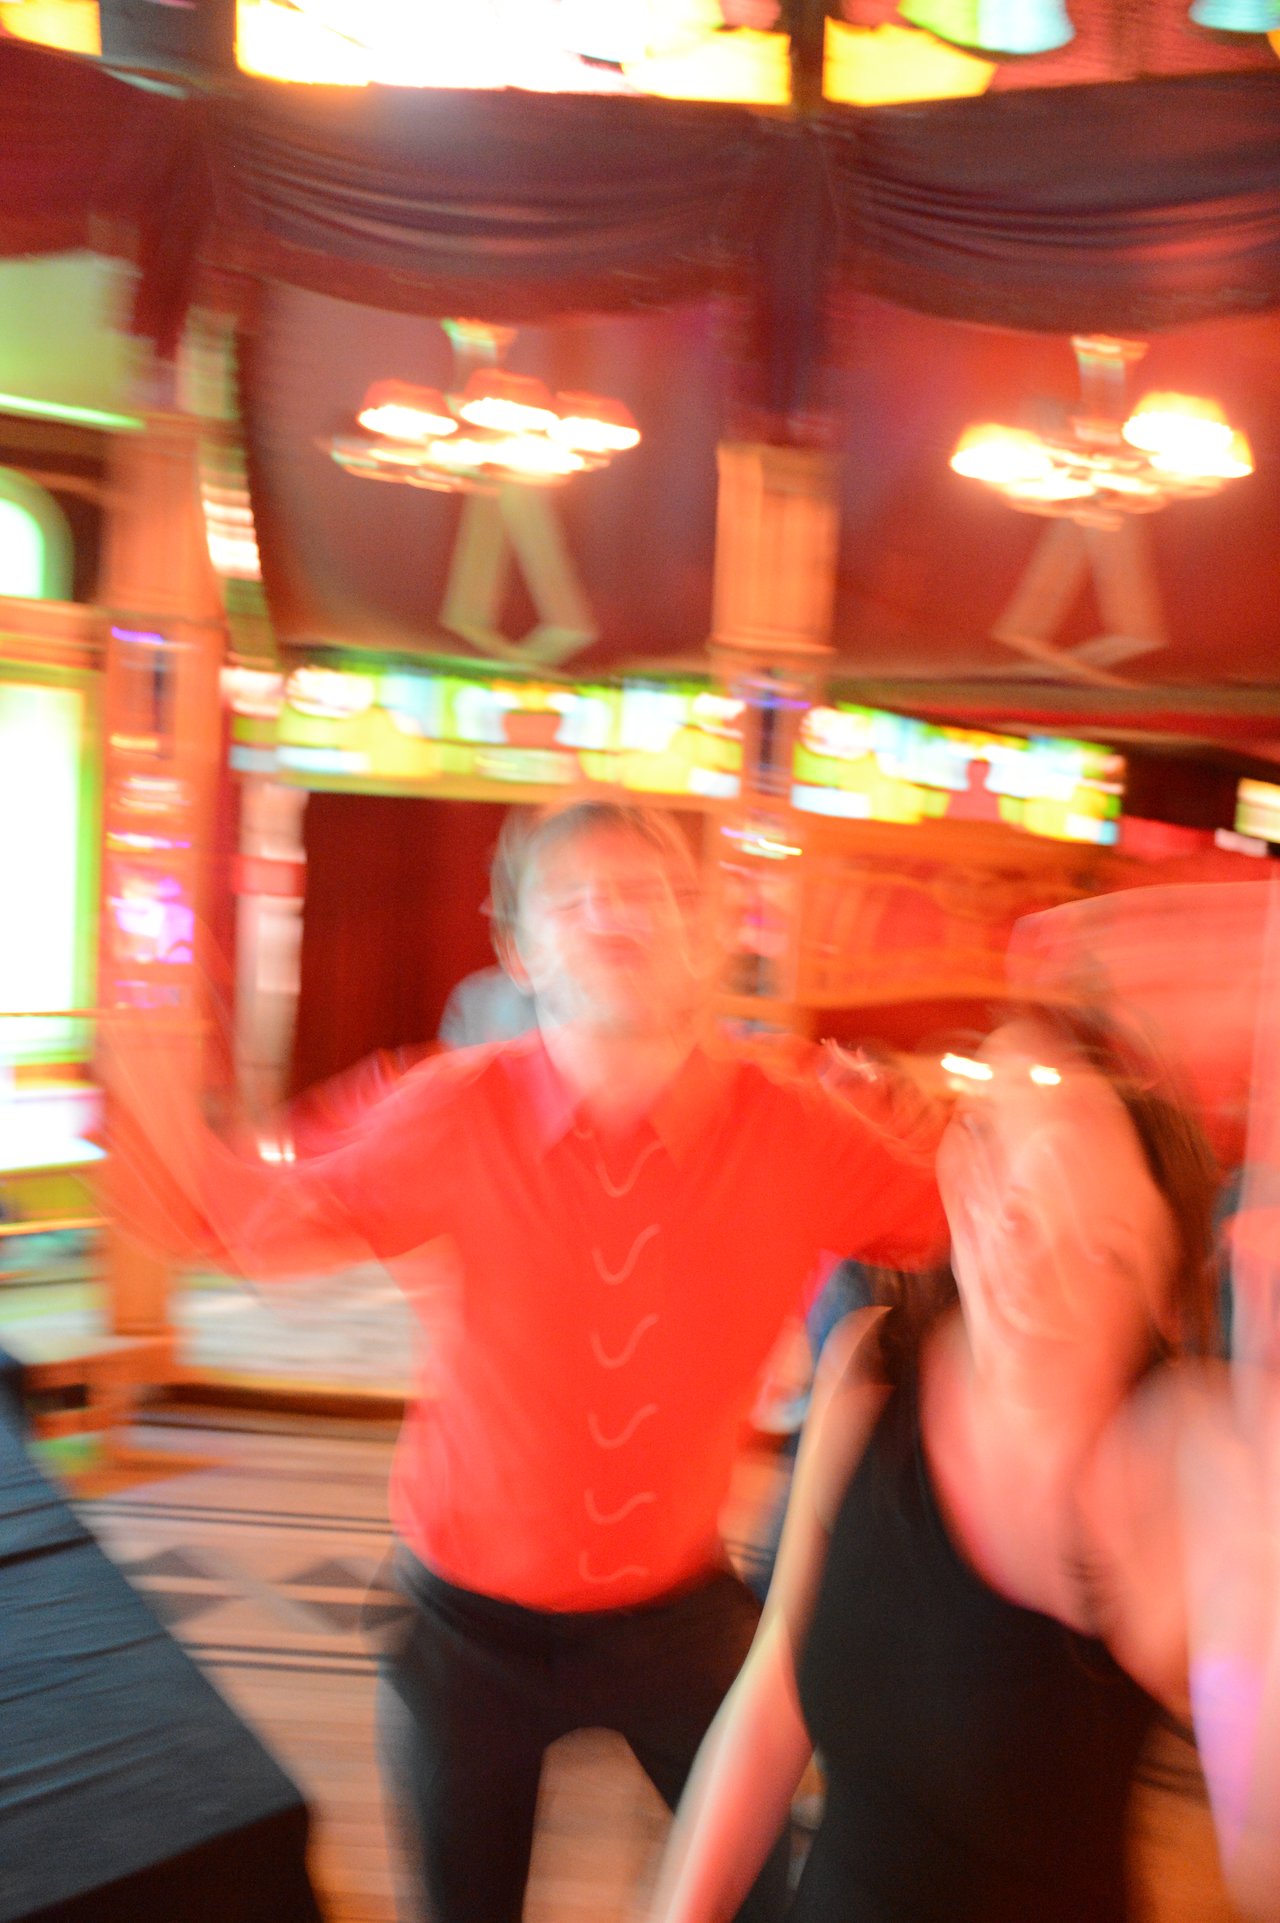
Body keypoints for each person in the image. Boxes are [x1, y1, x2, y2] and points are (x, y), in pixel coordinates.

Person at [103, 799, 948, 1923]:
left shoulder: (790, 1129)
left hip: (680, 1614)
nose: (612, 915)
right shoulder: (450, 1110)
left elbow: (962, 1225)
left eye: (647, 892)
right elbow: (242, 1221)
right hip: (464, 1635)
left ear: (703, 933)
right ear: (519, 948)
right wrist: (151, 1051)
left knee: (768, 1903)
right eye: (573, 896)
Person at [650, 1009, 1280, 1923]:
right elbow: (780, 1680)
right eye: (1018, 1207)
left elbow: (1259, 1833)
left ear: (1166, 1294)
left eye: (1102, 1248)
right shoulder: (872, 1372)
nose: (1036, 1270)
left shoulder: (1173, 1482)